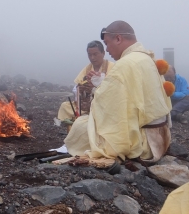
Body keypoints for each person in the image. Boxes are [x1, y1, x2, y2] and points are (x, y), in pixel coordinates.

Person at [65, 21, 171, 163]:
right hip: (161, 138)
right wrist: (102, 84)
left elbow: (109, 108)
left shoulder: (125, 64)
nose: (107, 49)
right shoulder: (147, 58)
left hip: (144, 144)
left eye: (107, 43)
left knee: (80, 126)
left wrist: (97, 88)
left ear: (118, 39)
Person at [57, 40, 114, 122]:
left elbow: (115, 87)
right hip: (87, 103)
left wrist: (95, 86)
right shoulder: (87, 69)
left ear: (103, 53)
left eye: (95, 54)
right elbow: (76, 88)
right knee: (65, 106)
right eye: (90, 55)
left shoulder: (112, 67)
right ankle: (72, 127)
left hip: (105, 103)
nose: (92, 58)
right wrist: (83, 86)